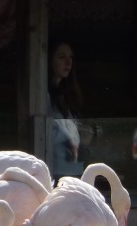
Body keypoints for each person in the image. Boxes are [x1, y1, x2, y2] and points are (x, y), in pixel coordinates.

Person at [47, 41, 96, 178]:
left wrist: (83, 136)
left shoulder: (68, 96)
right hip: (54, 172)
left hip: (75, 171)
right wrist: (72, 133)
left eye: (71, 58)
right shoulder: (42, 96)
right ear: (49, 60)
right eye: (62, 57)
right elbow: (43, 133)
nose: (68, 62)